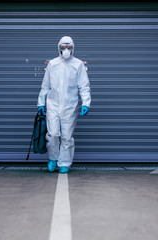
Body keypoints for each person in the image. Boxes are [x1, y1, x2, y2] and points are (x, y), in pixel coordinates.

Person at [37, 36, 91, 173]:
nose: (66, 50)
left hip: (70, 105)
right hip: (53, 104)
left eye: (69, 47)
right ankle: (53, 158)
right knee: (53, 134)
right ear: (59, 48)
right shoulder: (52, 64)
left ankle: (65, 162)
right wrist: (41, 103)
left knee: (67, 136)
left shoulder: (78, 64)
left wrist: (86, 102)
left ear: (73, 48)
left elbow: (84, 86)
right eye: (63, 47)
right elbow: (45, 85)